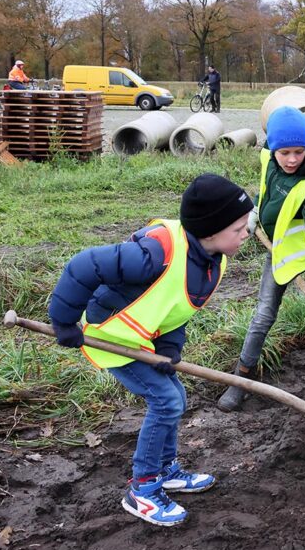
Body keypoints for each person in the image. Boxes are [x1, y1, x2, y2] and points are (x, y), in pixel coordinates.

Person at [48, 174, 254, 526]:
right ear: (210, 230)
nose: (246, 234)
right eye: (238, 229)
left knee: (176, 395)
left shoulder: (208, 260)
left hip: (140, 339)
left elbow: (176, 307)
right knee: (166, 400)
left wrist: (170, 347)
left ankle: (166, 469)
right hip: (110, 335)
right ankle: (142, 490)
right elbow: (85, 264)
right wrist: (63, 321)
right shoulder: (155, 254)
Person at [217, 105, 305, 412]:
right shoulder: (270, 159)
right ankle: (240, 381)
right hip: (280, 253)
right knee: (262, 317)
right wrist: (256, 211)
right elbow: (268, 190)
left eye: (299, 151)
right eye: (285, 153)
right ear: (273, 148)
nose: (292, 159)